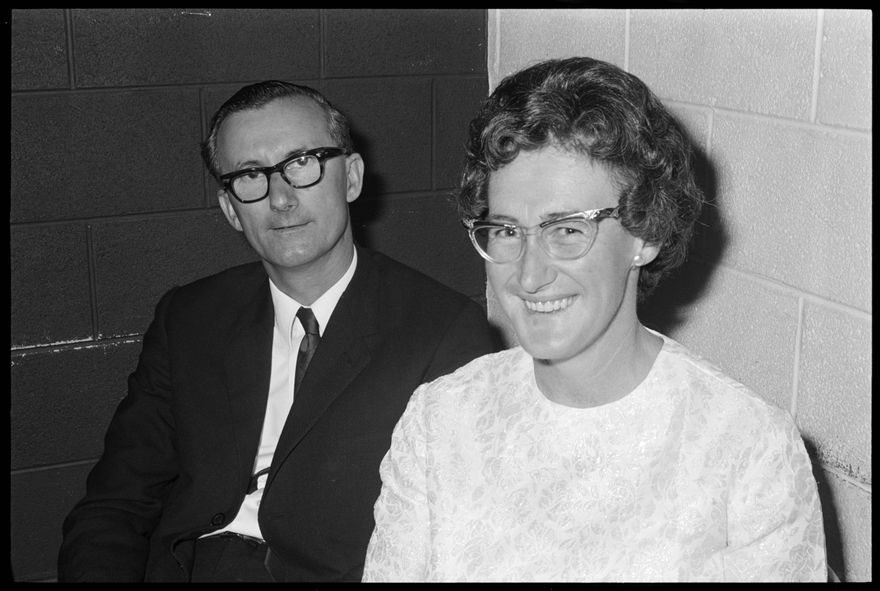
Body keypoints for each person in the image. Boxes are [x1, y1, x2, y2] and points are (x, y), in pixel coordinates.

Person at [362, 57, 827, 582]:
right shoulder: (439, 421)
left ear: (646, 233)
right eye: (507, 231)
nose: (529, 275)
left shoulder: (748, 448)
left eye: (566, 230)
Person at [57, 80, 499, 582]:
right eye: (250, 175)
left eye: (302, 163)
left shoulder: (442, 332)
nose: (281, 198)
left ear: (351, 178)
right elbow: (117, 502)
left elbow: (460, 538)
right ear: (230, 208)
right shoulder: (191, 317)